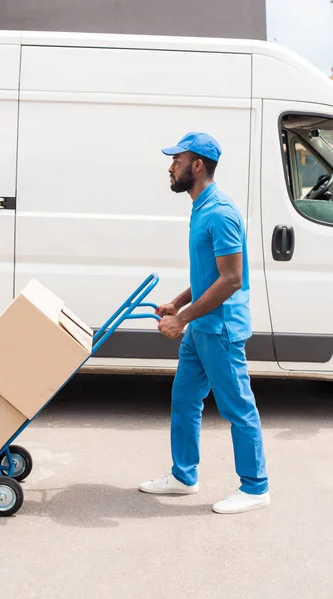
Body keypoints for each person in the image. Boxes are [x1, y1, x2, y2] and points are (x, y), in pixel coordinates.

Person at [139, 132, 270, 514]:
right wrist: (177, 303)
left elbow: (231, 278)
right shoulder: (201, 206)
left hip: (220, 329)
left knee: (238, 408)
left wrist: (183, 317)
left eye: (176, 161)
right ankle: (184, 476)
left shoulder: (220, 212)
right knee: (184, 400)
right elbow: (209, 273)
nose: (170, 166)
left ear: (197, 166)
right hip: (201, 327)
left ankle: (256, 486)